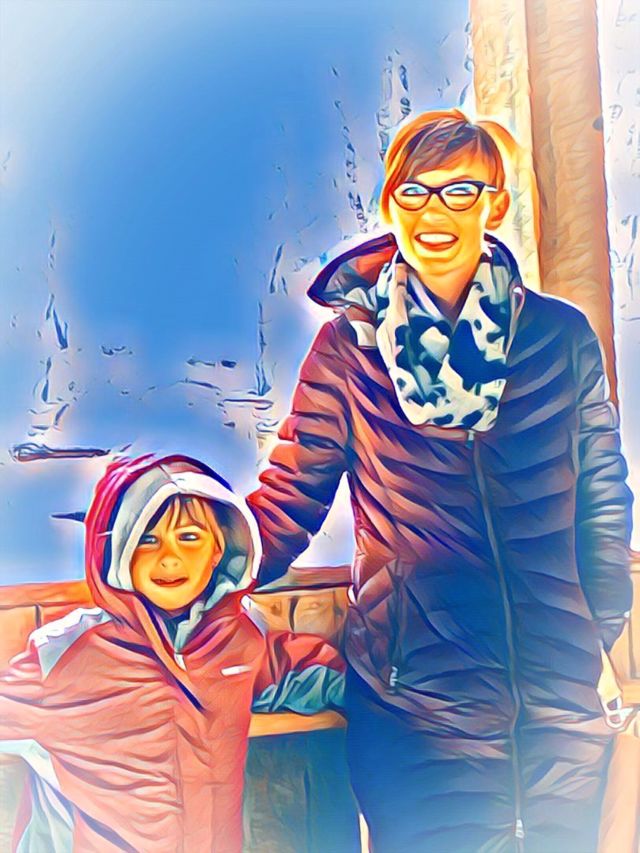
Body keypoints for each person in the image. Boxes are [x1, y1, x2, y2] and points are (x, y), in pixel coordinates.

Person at [246, 108, 633, 852]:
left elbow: (603, 502)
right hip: (416, 712)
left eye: (460, 191)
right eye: (415, 192)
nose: (435, 212)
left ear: (495, 204)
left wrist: (592, 632)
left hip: (559, 708)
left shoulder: (559, 337)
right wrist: (187, 576)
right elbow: (289, 498)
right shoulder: (349, 352)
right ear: (390, 205)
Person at [0, 454, 345, 853]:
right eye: (147, 539)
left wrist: (378, 698)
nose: (169, 558)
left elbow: (305, 672)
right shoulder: (64, 657)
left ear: (219, 549)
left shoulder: (238, 639)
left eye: (189, 537)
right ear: (119, 548)